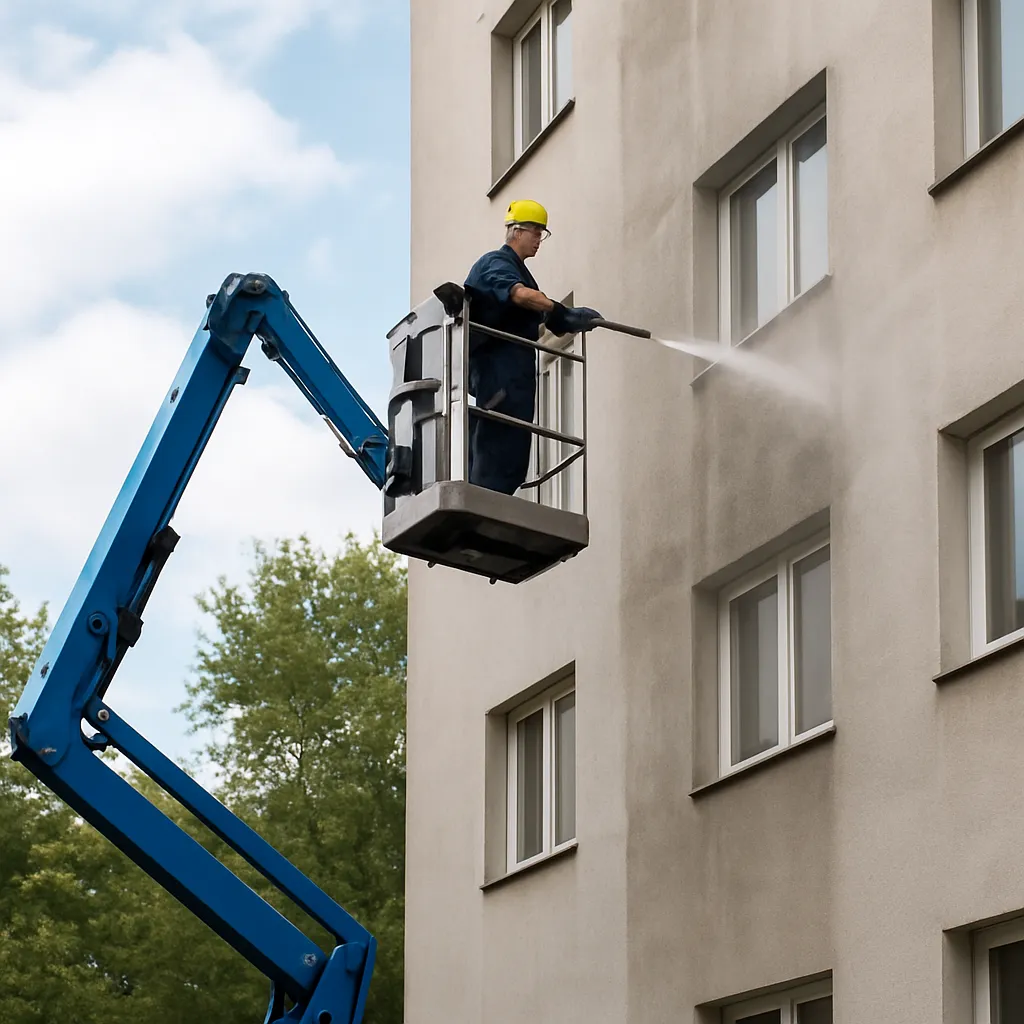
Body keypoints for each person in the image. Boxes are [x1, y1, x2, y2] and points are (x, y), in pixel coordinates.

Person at [463, 200, 601, 495]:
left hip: (517, 376)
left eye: (542, 233)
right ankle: (485, 500)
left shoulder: (521, 272)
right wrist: (559, 310)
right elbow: (520, 295)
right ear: (516, 231)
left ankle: (496, 500)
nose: (539, 239)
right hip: (498, 374)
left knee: (513, 449)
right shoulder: (495, 264)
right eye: (536, 232)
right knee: (496, 446)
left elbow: (541, 314)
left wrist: (567, 321)